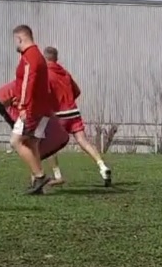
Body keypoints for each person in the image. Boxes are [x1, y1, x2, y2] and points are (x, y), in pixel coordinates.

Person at [43, 47, 111, 186]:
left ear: (44, 58)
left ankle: (57, 176)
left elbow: (45, 94)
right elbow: (77, 91)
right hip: (73, 113)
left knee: (49, 146)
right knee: (83, 141)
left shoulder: (45, 74)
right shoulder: (65, 73)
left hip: (59, 115)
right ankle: (102, 166)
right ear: (56, 58)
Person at [9, 25, 52, 194]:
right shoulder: (38, 56)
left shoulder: (29, 57)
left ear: (20, 38)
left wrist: (23, 105)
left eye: (16, 41)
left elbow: (29, 81)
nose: (16, 44)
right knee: (32, 143)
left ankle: (39, 176)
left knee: (16, 141)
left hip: (32, 108)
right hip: (42, 107)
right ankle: (37, 183)